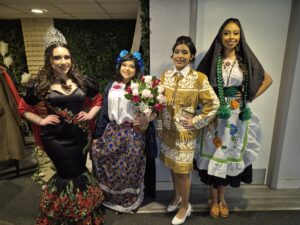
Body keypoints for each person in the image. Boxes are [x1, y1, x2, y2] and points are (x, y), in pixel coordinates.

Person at [18, 27, 104, 224]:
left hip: (81, 138)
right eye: (57, 58)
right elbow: (23, 108)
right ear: (50, 60)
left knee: (80, 172)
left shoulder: (82, 81)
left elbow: (98, 99)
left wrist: (89, 114)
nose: (63, 62)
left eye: (66, 57)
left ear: (71, 59)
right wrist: (41, 120)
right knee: (67, 174)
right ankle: (67, 215)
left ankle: (83, 214)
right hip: (55, 139)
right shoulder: (39, 85)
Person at [195, 18, 273, 218]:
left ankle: (223, 198)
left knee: (230, 152)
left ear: (240, 36)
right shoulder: (214, 59)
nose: (231, 37)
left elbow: (267, 79)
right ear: (221, 35)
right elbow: (199, 83)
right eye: (227, 33)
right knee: (215, 151)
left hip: (237, 116)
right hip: (215, 115)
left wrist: (249, 96)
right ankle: (213, 199)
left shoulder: (245, 59)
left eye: (236, 33)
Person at [157, 36, 220, 225]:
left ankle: (186, 206)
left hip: (185, 134)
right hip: (168, 132)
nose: (180, 56)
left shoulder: (198, 79)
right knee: (172, 166)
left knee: (183, 171)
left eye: (185, 52)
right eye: (177, 52)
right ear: (172, 54)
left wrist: (197, 121)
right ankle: (177, 197)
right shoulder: (165, 76)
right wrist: (159, 126)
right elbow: (159, 104)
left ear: (191, 56)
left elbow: (214, 104)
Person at [91, 50, 157, 213]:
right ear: (119, 66)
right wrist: (97, 135)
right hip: (112, 132)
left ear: (137, 69)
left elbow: (154, 111)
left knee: (130, 168)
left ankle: (129, 200)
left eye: (131, 66)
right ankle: (111, 199)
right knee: (112, 168)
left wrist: (147, 119)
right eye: (124, 65)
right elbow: (105, 112)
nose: (127, 68)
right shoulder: (110, 85)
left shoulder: (142, 87)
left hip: (133, 134)